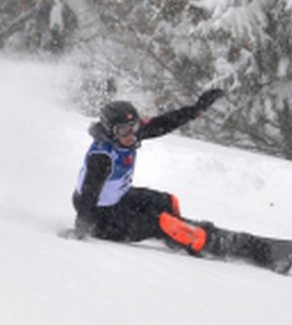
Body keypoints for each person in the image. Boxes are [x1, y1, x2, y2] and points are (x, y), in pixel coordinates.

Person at [71, 89, 227, 255]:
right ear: (111, 131)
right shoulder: (102, 157)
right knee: (159, 222)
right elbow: (89, 193)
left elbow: (164, 123)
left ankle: (175, 232)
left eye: (134, 127)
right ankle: (195, 240)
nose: (131, 135)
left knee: (166, 202)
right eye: (124, 130)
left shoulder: (128, 137)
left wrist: (196, 109)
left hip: (119, 199)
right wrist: (81, 228)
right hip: (100, 218)